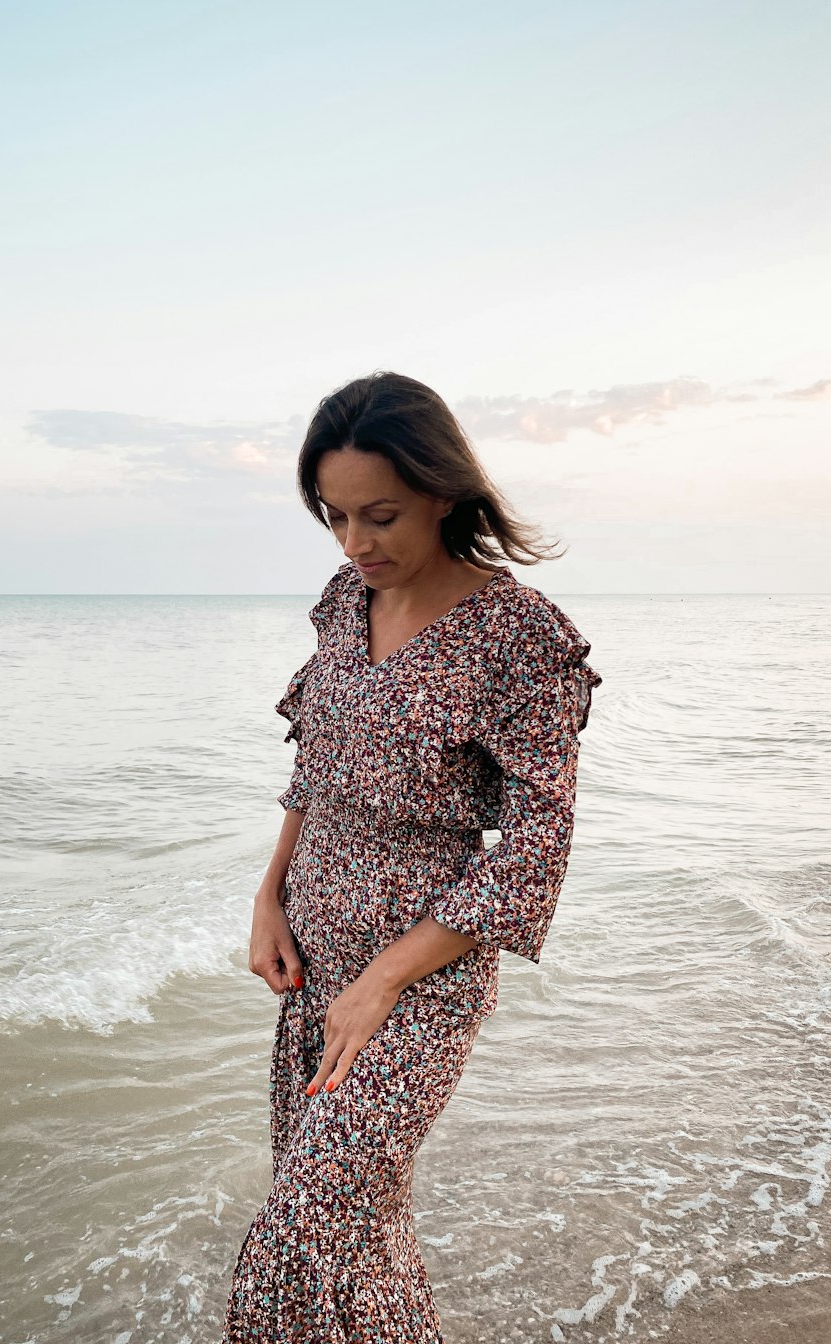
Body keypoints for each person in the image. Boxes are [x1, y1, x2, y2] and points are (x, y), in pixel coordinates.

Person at [224, 370, 602, 1343]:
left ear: (442, 489)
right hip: (312, 962)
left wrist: (384, 980)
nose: (355, 543)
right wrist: (268, 894)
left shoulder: (518, 637)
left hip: (415, 986)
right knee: (359, 1238)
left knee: (291, 1247)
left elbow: (534, 851)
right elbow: (317, 762)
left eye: (380, 515)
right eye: (333, 515)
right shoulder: (344, 602)